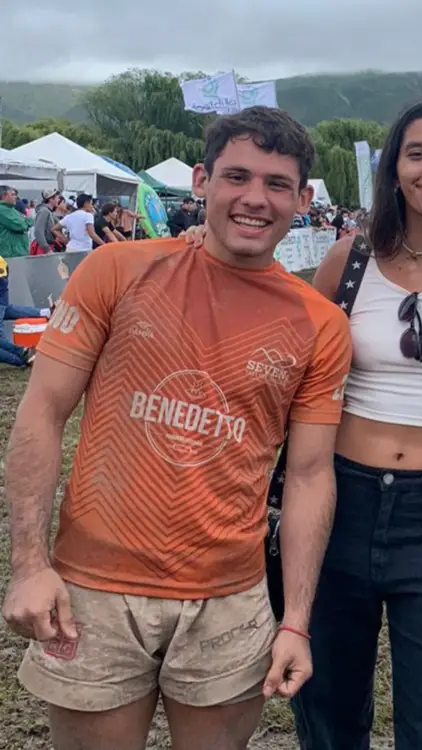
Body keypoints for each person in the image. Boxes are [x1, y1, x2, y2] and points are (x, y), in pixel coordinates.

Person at [1, 105, 353, 750]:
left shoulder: (320, 324)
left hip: (229, 596)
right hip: (96, 589)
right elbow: (42, 414)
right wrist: (29, 563)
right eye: (236, 177)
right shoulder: (118, 270)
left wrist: (297, 620)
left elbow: (307, 474)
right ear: (201, 182)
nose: (254, 199)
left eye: (276, 184)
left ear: (303, 199)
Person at [211, 101, 422, 750]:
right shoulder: (349, 259)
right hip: (339, 499)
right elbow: (298, 375)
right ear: (392, 171)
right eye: (415, 154)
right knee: (327, 707)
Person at [0, 185, 33, 259]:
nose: (15, 197)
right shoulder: (2, 210)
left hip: (18, 253)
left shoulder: (11, 209)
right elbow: (19, 226)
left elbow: (30, 220)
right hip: (9, 255)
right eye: (12, 194)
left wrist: (24, 221)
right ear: (4, 196)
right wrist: (24, 221)